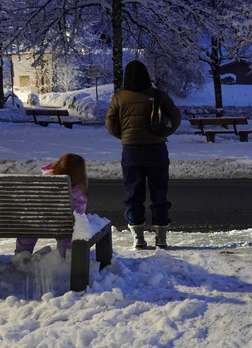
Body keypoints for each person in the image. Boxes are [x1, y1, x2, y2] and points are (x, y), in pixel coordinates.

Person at [105, 60, 181, 250]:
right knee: (159, 192)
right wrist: (163, 133)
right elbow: (176, 118)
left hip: (131, 151)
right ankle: (161, 238)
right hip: (157, 149)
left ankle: (138, 238)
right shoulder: (159, 95)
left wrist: (125, 136)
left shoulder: (119, 98)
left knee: (133, 194)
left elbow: (110, 124)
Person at [15, 153, 88, 257]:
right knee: (68, 230)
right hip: (61, 224)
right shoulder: (77, 187)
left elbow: (30, 201)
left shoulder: (43, 180)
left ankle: (21, 256)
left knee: (28, 230)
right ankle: (65, 257)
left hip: (34, 222)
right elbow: (79, 209)